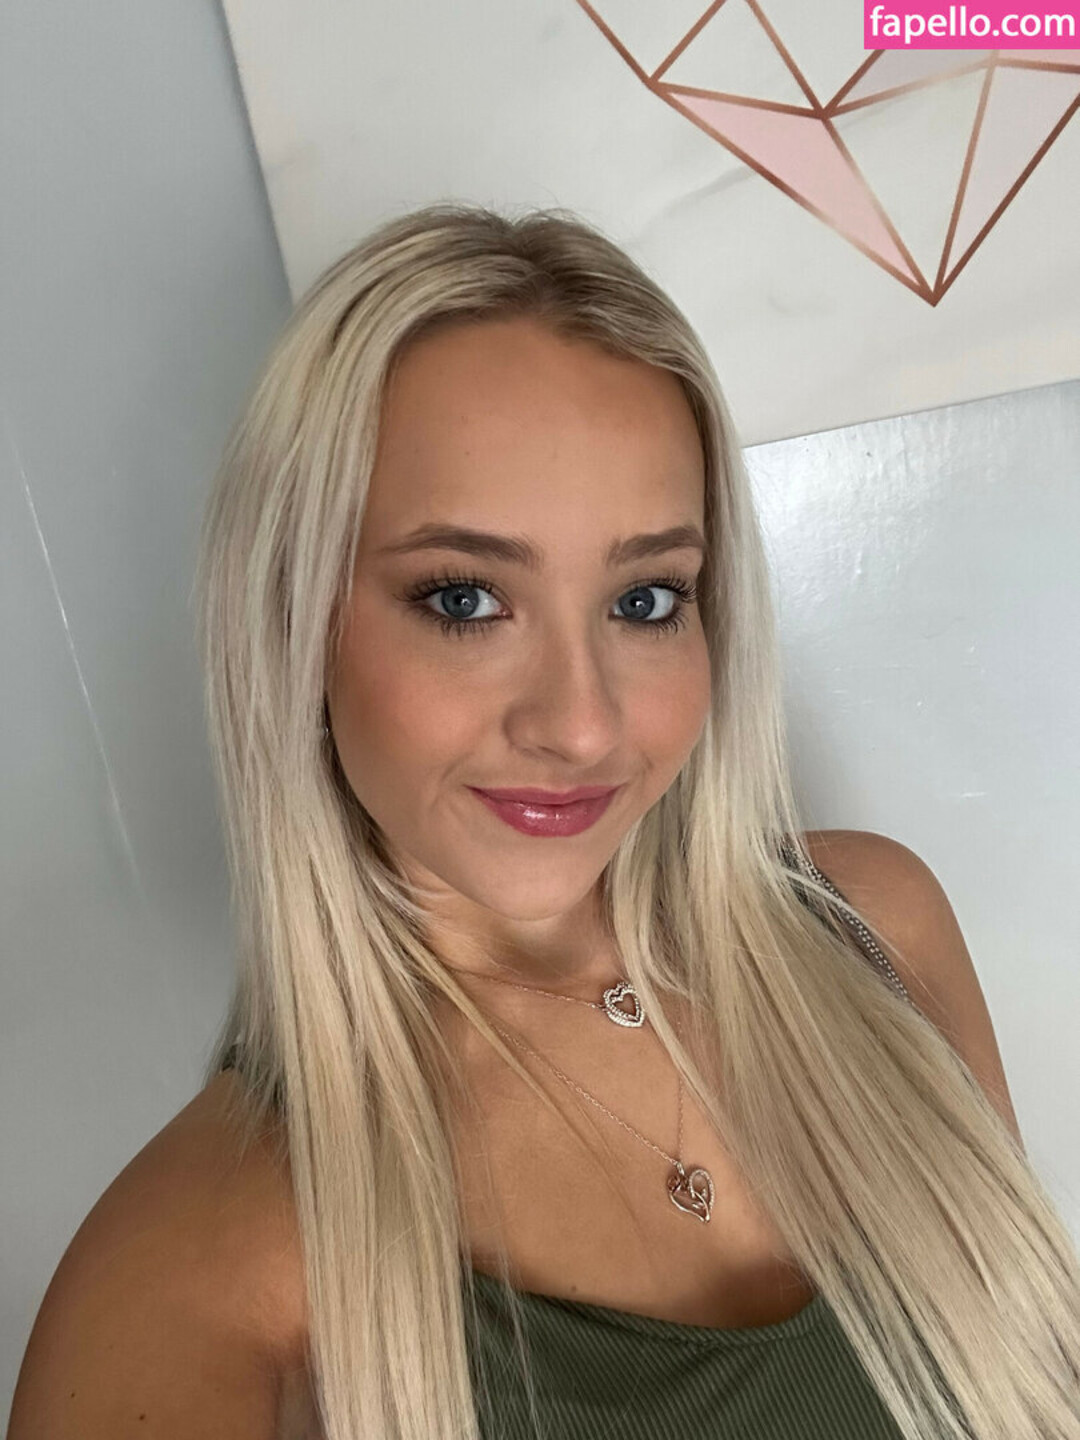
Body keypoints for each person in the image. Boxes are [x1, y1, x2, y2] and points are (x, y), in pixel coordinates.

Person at [10, 202, 1080, 1440]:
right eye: (464, 599)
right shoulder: (189, 1277)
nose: (580, 724)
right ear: (295, 624)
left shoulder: (878, 932)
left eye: (646, 599)